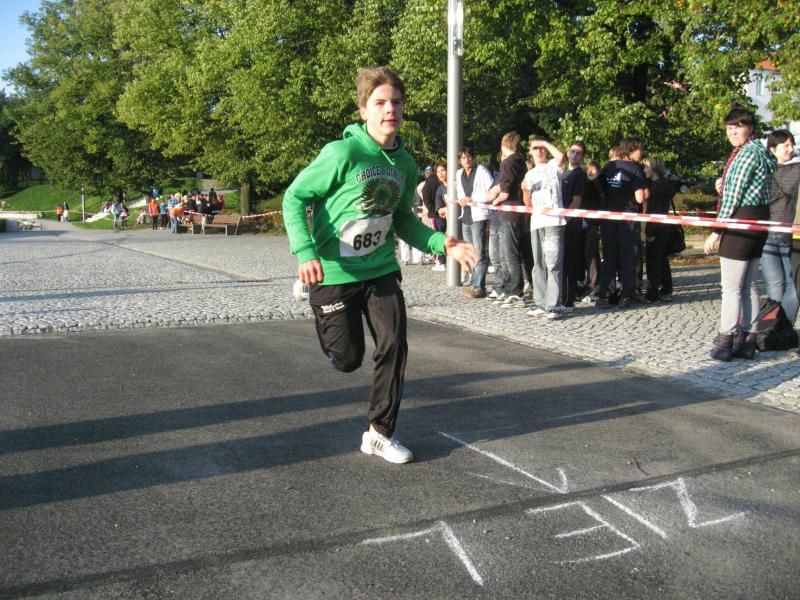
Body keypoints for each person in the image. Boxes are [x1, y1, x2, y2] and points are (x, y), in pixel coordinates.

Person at [282, 66, 477, 464]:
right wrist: (305, 252)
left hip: (381, 269)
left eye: (396, 103)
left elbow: (402, 219)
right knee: (347, 359)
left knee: (394, 345)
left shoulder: (404, 163)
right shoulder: (342, 153)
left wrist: (442, 243)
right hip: (334, 271)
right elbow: (294, 197)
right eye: (381, 103)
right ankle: (314, 296)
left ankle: (379, 433)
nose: (390, 110)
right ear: (364, 110)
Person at [704, 107, 777, 361]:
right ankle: (748, 340)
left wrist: (716, 231)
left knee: (731, 288)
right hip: (758, 219)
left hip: (740, 221)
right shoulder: (761, 152)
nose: (732, 132)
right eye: (729, 127)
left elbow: (733, 197)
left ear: (750, 128)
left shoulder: (745, 154)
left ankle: (726, 340)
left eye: (738, 126)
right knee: (748, 285)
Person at [596, 137, 647, 308]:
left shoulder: (609, 166)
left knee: (609, 256)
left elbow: (599, 187)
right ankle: (627, 295)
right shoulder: (635, 169)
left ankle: (605, 295)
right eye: (640, 149)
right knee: (628, 256)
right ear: (632, 149)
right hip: (628, 218)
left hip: (609, 217)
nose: (642, 153)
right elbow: (640, 198)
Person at [522, 137, 567, 319]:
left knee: (553, 263)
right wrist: (524, 190)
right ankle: (540, 303)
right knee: (538, 264)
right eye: (535, 149)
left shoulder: (552, 166)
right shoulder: (529, 174)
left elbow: (561, 157)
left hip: (553, 222)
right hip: (537, 222)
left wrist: (544, 143)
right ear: (530, 152)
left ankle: (554, 305)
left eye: (542, 148)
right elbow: (528, 203)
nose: (539, 151)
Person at [761, 129, 800, 325]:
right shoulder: (764, 168)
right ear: (773, 149)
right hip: (767, 232)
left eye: (792, 144)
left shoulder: (797, 168)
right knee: (774, 283)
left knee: (795, 282)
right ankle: (772, 328)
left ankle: (782, 325)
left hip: (790, 233)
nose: (791, 149)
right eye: (786, 145)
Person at [486, 131, 528, 307]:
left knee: (509, 254)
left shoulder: (508, 162)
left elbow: (505, 191)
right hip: (516, 211)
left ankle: (515, 291)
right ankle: (508, 288)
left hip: (510, 212)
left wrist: (494, 202)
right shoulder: (521, 161)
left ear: (504, 144)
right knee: (507, 253)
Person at [456, 147, 494, 298]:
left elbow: (490, 191)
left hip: (479, 215)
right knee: (470, 252)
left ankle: (479, 286)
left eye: (469, 157)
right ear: (460, 160)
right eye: (464, 158)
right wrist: (461, 200)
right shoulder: (459, 173)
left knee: (479, 252)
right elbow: (460, 193)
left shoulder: (481, 171)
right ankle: (472, 282)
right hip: (465, 215)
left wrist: (473, 198)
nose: (467, 160)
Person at [642, 157, 675, 302]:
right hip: (662, 228)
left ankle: (653, 292)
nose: (644, 170)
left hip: (657, 228)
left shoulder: (658, 187)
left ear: (653, 168)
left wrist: (650, 232)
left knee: (654, 261)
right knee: (661, 259)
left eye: (646, 167)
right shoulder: (662, 184)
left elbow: (655, 211)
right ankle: (665, 288)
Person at [561, 141, 588, 309]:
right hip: (561, 222)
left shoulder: (579, 175)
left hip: (572, 224)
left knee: (570, 262)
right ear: (567, 152)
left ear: (582, 156)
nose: (575, 155)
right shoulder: (563, 173)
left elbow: (576, 201)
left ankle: (568, 298)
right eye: (572, 151)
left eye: (578, 153)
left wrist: (565, 219)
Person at [431, 161, 448, 272]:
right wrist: (447, 209)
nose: (441, 173)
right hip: (445, 221)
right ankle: (442, 261)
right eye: (438, 172)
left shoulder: (456, 185)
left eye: (443, 170)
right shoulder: (440, 189)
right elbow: (439, 210)